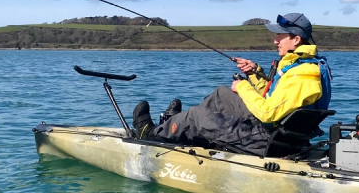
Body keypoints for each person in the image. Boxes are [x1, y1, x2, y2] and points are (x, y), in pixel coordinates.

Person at [132, 13, 330, 155]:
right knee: (221, 94)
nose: (275, 41)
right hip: (275, 130)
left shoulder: (302, 75)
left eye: (280, 36)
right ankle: (175, 127)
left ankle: (151, 134)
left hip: (265, 139)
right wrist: (254, 74)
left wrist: (243, 87)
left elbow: (269, 114)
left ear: (296, 40)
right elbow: (276, 97)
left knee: (197, 115)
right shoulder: (302, 67)